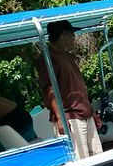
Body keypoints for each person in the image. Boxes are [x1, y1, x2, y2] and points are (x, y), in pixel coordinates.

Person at [36, 21, 102, 159]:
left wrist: (92, 112)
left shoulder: (66, 55)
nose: (74, 37)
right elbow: (48, 89)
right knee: (80, 158)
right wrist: (60, 118)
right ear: (63, 34)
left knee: (97, 155)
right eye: (72, 33)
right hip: (70, 117)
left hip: (85, 113)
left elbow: (78, 88)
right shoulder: (47, 57)